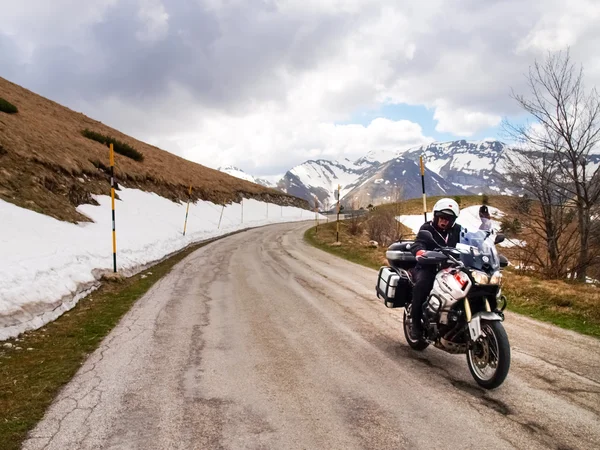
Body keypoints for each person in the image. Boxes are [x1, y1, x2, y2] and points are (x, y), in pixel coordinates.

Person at [409, 198, 462, 339]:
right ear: (436, 216)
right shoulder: (427, 228)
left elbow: (470, 242)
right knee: (422, 285)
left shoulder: (458, 230)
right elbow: (418, 243)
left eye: (448, 219)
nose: (444, 221)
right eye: (442, 218)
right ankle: (415, 323)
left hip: (451, 268)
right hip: (428, 267)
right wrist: (420, 251)